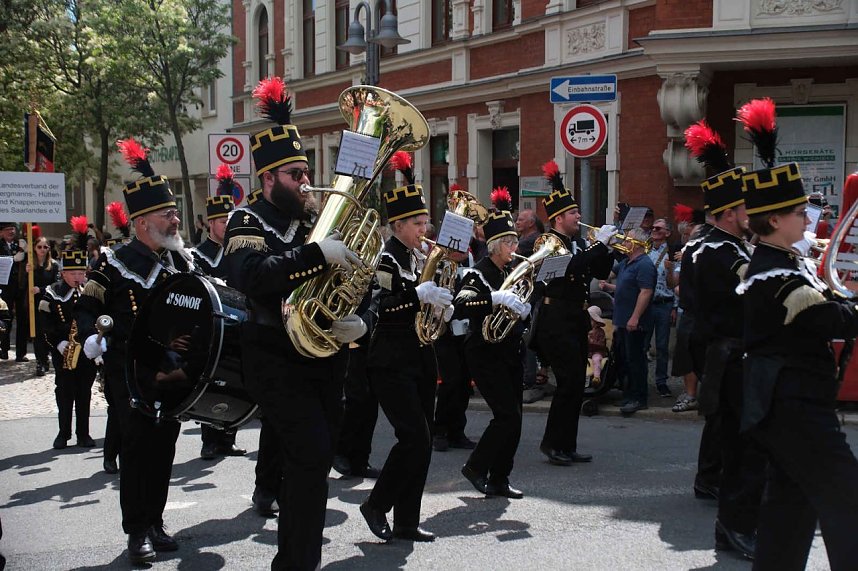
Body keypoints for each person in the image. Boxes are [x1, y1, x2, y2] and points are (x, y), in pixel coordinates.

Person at [223, 77, 364, 570]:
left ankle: (298, 558)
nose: (307, 182)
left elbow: (349, 282)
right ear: (268, 180)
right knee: (309, 456)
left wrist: (355, 318)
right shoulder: (247, 221)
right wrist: (314, 254)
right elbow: (253, 277)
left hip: (323, 359)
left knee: (315, 463)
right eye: (295, 175)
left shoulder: (312, 223)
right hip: (273, 358)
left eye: (306, 172)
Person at [738, 101, 858, 568]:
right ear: (773, 220)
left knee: (791, 506)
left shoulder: (787, 263)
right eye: (798, 212)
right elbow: (833, 322)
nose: (807, 219)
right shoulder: (776, 275)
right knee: (847, 498)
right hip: (794, 405)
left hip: (792, 402)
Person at [74, 137, 193, 564]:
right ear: (143, 222)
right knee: (138, 451)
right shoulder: (113, 264)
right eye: (168, 213)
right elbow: (86, 307)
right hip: (128, 373)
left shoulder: (180, 262)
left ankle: (156, 520)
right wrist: (90, 336)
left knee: (165, 449)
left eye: (175, 211)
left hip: (172, 370)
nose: (175, 218)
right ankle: (136, 530)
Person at [360, 152, 451, 543]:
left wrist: (442, 306)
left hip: (420, 357)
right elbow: (382, 308)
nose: (424, 228)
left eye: (425, 221)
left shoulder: (418, 258)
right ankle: (376, 504)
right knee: (413, 437)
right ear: (397, 225)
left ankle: (406, 520)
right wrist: (420, 294)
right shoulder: (385, 259)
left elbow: (422, 306)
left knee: (424, 440)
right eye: (417, 222)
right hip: (390, 361)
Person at [687, 112, 765, 560]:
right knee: (741, 445)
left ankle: (730, 517)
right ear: (730, 213)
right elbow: (753, 290)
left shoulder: (717, 244)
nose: (750, 215)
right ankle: (734, 528)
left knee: (735, 438)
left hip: (722, 349)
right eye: (745, 209)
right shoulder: (720, 250)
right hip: (730, 352)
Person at [533, 160, 614, 466]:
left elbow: (597, 269)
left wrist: (609, 249)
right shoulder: (548, 241)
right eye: (573, 213)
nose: (579, 216)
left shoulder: (579, 242)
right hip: (556, 320)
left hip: (575, 319)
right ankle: (552, 444)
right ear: (557, 218)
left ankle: (567, 444)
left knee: (575, 384)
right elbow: (569, 268)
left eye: (577, 212)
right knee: (566, 383)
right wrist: (597, 247)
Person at [455, 189, 530, 499]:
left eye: (515, 241)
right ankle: (475, 466)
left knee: (516, 418)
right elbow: (462, 304)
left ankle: (500, 477)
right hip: (484, 353)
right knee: (506, 416)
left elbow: (523, 300)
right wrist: (495, 298)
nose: (515, 247)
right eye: (510, 243)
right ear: (496, 245)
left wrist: (525, 307)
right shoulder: (478, 272)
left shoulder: (512, 270)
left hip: (510, 350)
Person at [190, 164, 246, 461]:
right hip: (213, 324)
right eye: (223, 221)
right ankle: (209, 440)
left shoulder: (238, 250)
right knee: (213, 379)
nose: (227, 225)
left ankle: (228, 437)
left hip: (238, 322)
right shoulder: (199, 255)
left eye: (230, 220)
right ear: (210, 224)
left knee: (235, 379)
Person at [40, 248, 96, 449]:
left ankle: (84, 433)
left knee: (85, 392)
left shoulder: (89, 291)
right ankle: (63, 433)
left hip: (86, 351)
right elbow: (45, 324)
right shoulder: (52, 292)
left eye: (81, 273)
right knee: (64, 392)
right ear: (63, 274)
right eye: (73, 273)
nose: (78, 277)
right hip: (63, 350)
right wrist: (57, 342)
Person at [606, 228, 655, 414]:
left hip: (635, 322)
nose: (624, 242)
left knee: (636, 361)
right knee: (625, 360)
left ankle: (639, 398)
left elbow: (646, 292)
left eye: (628, 240)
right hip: (621, 320)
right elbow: (609, 273)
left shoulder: (644, 264)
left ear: (638, 244)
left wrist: (635, 317)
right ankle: (628, 395)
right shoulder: (627, 262)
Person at [643, 218, 674, 398]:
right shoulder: (645, 250)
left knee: (662, 346)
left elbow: (674, 284)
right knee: (643, 344)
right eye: (653, 227)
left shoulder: (672, 252)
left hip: (664, 303)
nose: (654, 230)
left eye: (658, 228)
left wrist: (674, 308)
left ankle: (661, 382)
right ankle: (642, 381)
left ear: (667, 233)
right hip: (647, 304)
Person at [27, 232, 60, 376]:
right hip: (34, 303)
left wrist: (40, 289)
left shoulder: (53, 265)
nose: (42, 249)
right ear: (34, 248)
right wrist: (25, 272)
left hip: (48, 302)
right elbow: (21, 285)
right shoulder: (29, 265)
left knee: (49, 332)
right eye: (39, 246)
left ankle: (47, 358)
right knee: (38, 333)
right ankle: (40, 361)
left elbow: (56, 284)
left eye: (45, 247)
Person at [0, 222, 27, 362]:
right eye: (7, 229)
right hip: (5, 287)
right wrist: (12, 258)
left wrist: (25, 250)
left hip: (21, 286)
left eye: (13, 229)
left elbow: (27, 260)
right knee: (6, 318)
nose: (11, 231)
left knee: (22, 320)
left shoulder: (20, 243)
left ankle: (20, 353)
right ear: (1, 232)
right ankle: (3, 349)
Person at [587, 305, 608, 384]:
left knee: (596, 359)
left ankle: (597, 377)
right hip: (586, 351)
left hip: (597, 352)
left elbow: (601, 344)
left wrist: (591, 340)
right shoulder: (585, 330)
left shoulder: (600, 332)